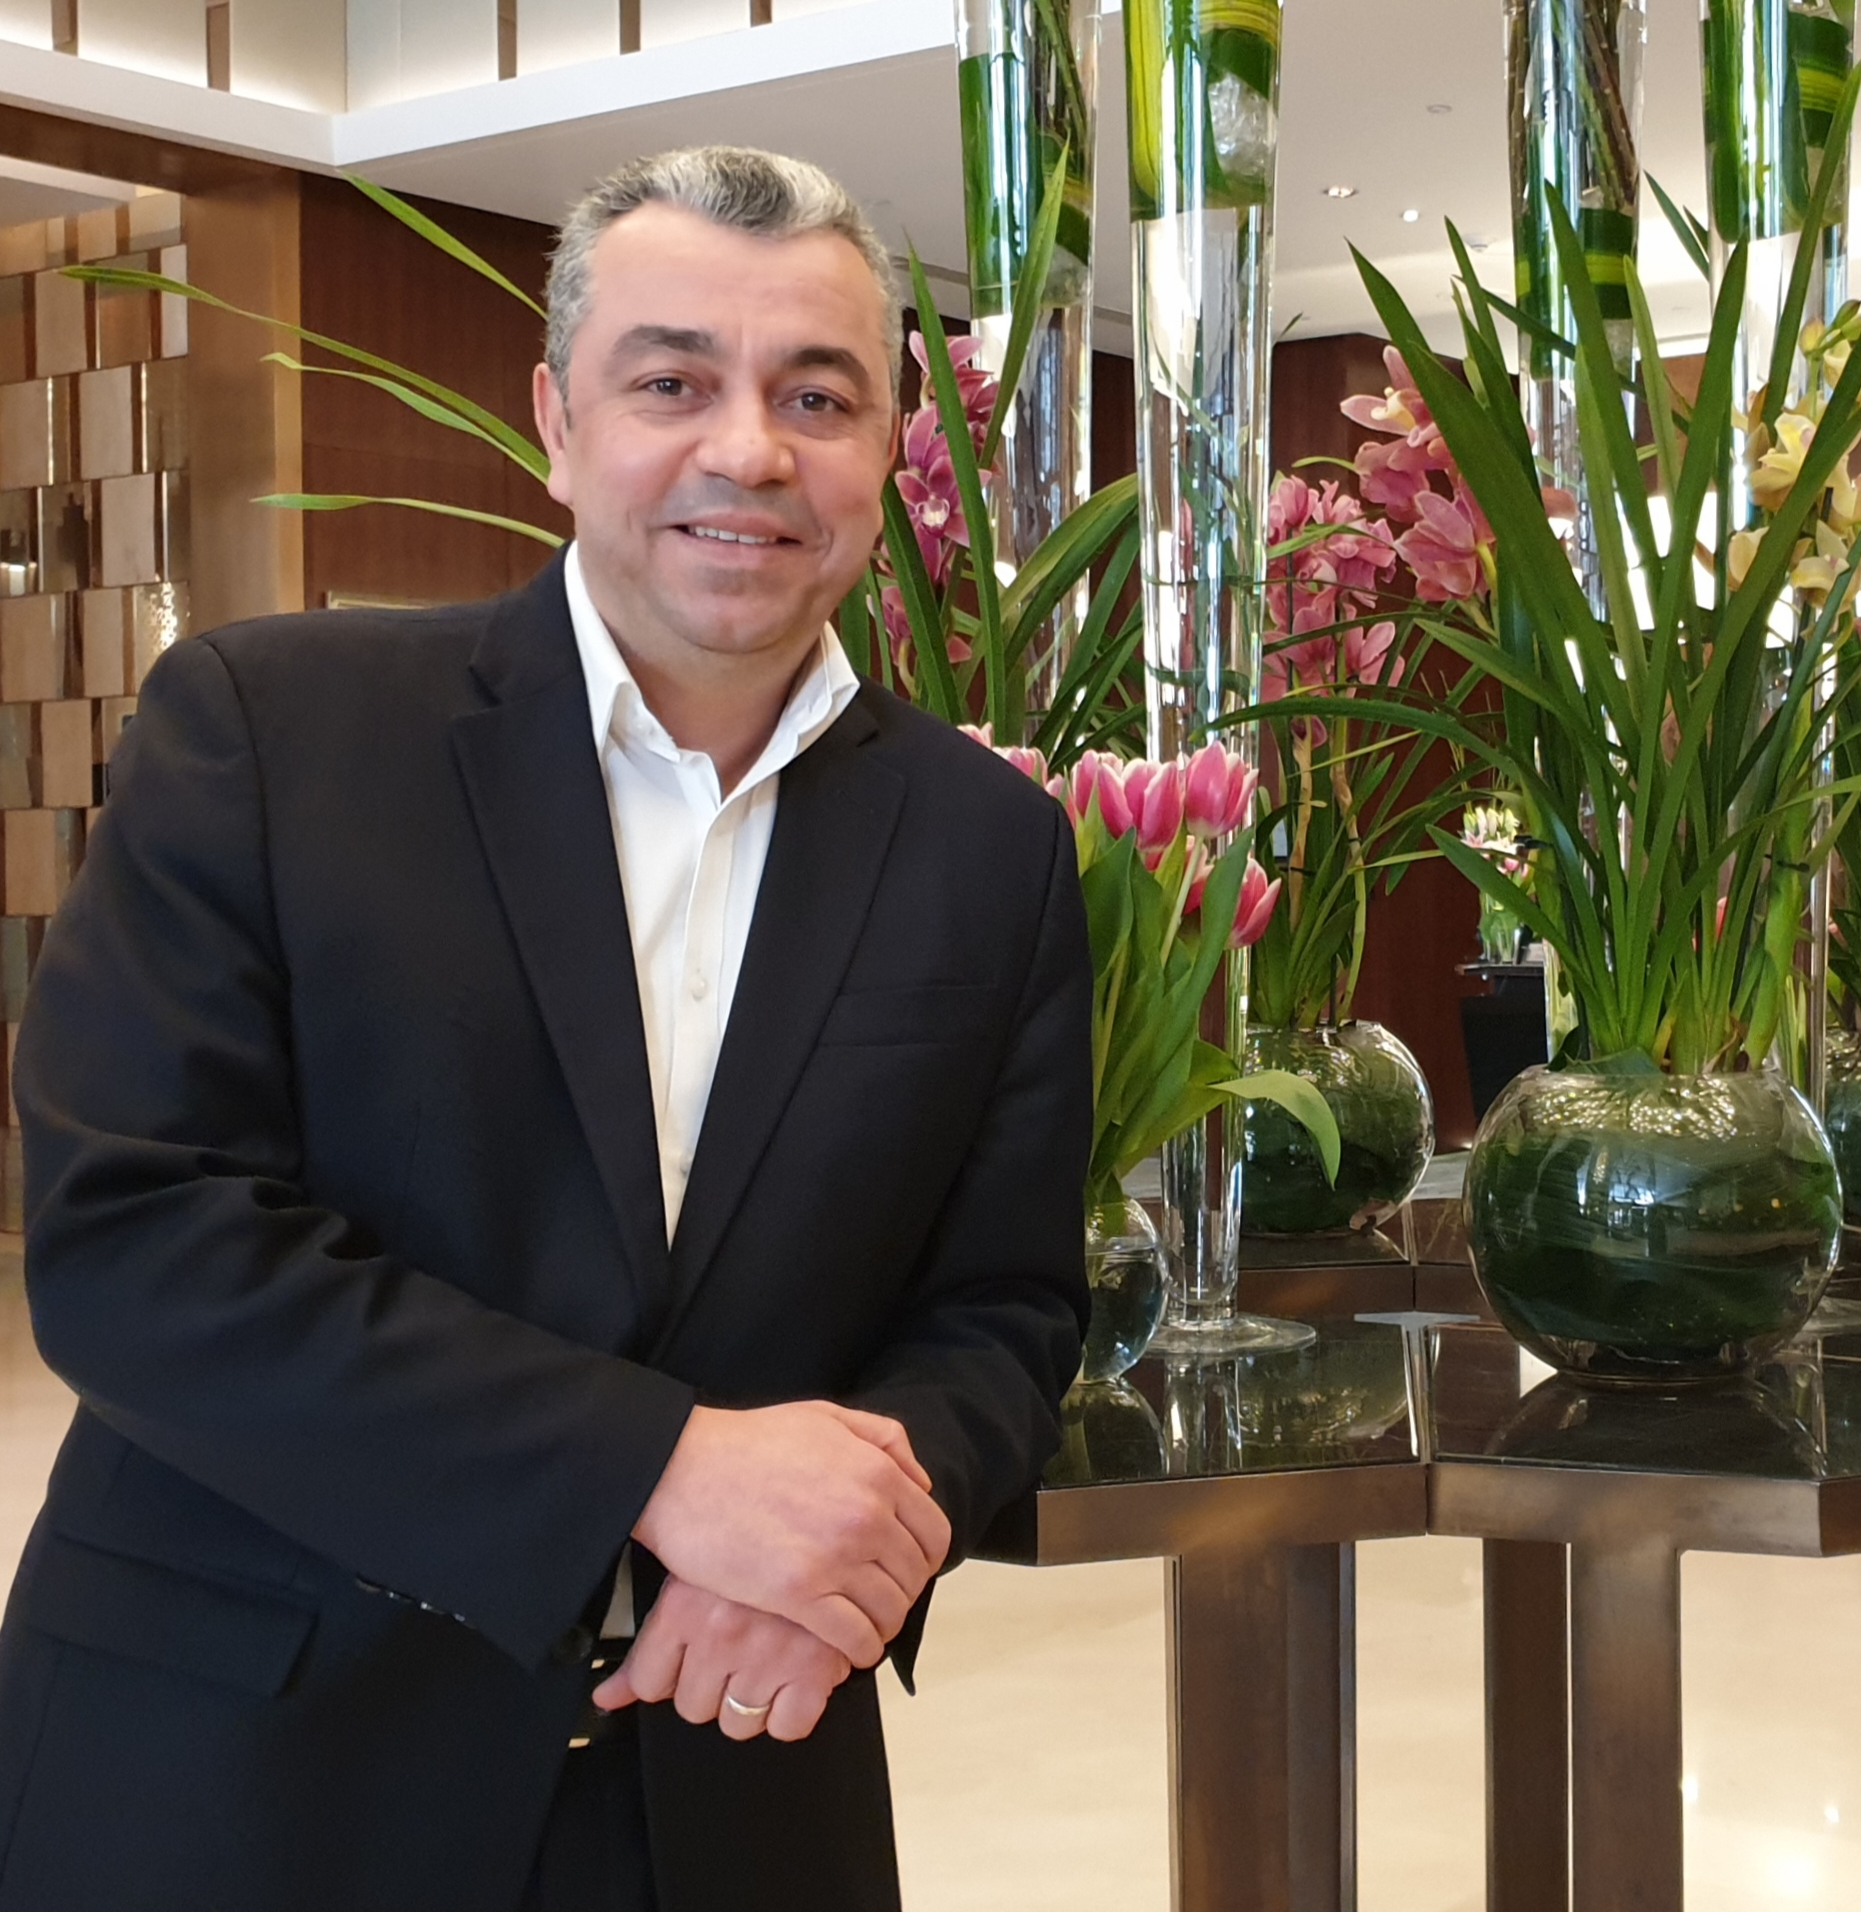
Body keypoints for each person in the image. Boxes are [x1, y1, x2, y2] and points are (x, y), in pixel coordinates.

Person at [0, 145, 1092, 1912]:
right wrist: (660, 1472)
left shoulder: (991, 845)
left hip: (733, 1764)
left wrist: (849, 1559)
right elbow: (138, 1241)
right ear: (556, 423)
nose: (749, 450)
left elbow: (1002, 1311)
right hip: (246, 1771)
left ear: (888, 450)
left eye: (817, 396)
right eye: (671, 383)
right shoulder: (271, 731)